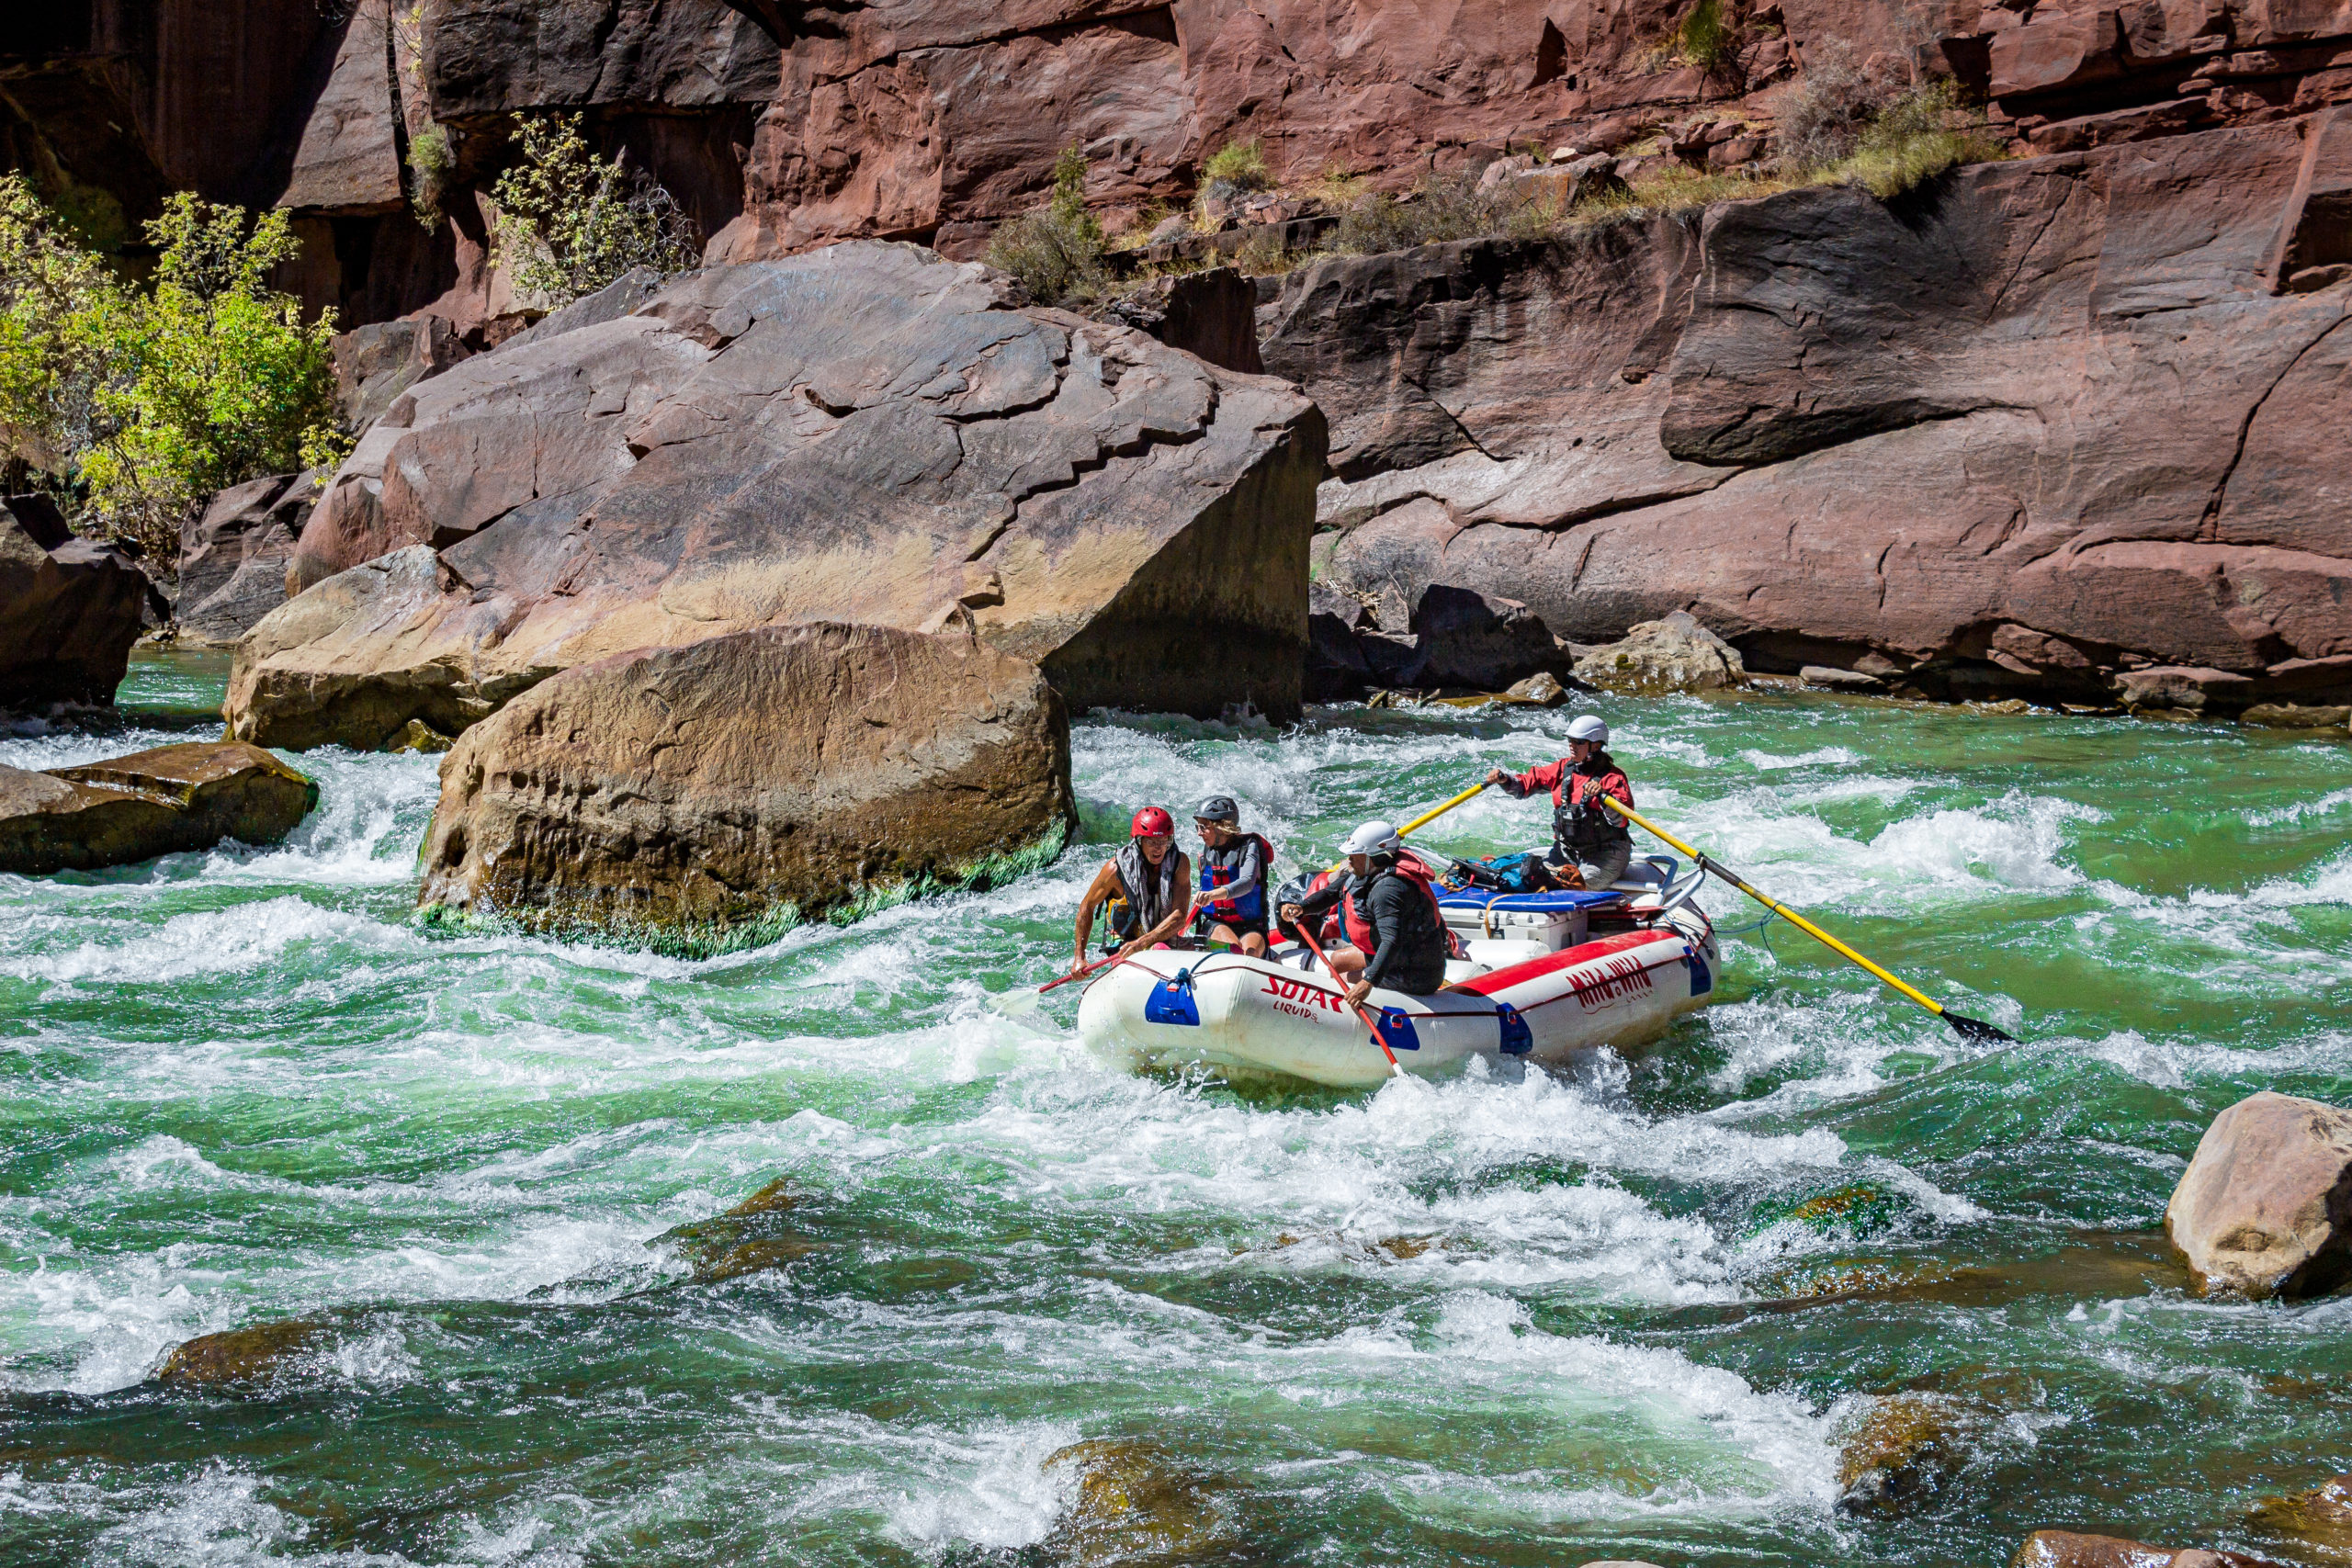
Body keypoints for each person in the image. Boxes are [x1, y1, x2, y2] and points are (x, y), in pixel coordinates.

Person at [1277, 819, 1451, 1006]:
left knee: (1342, 978)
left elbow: (1391, 940)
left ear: (1375, 856)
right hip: (1399, 957)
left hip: (1413, 972)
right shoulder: (1364, 872)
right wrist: (1302, 908)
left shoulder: (1389, 890)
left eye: (1355, 854)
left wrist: (1368, 982)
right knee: (1336, 960)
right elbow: (1331, 893)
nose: (1349, 859)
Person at [1484, 713, 1635, 891]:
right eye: (1570, 740)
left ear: (1595, 746)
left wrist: (1604, 798)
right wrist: (1505, 780)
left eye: (1578, 742)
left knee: (1572, 886)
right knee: (1531, 879)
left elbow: (1621, 820)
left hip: (1605, 855)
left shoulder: (1613, 778)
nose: (1572, 746)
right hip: (1566, 851)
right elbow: (1524, 786)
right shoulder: (1563, 769)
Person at [1073, 807, 1192, 966]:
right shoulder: (1115, 870)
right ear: (1138, 841)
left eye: (1164, 841)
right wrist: (1079, 957)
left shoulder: (1179, 863)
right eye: (1152, 842)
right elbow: (1086, 907)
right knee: (1158, 948)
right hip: (1124, 948)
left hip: (1162, 943)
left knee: (1228, 947)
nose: (1159, 848)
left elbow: (1179, 917)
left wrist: (1142, 943)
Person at [1190, 795, 1274, 956]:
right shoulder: (1205, 854)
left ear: (1222, 826)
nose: (1199, 833)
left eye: (1204, 827)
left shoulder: (1250, 846)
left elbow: (1247, 882)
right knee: (1234, 950)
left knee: (1250, 953)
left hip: (1251, 925)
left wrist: (1212, 895)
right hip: (1216, 923)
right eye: (1198, 827)